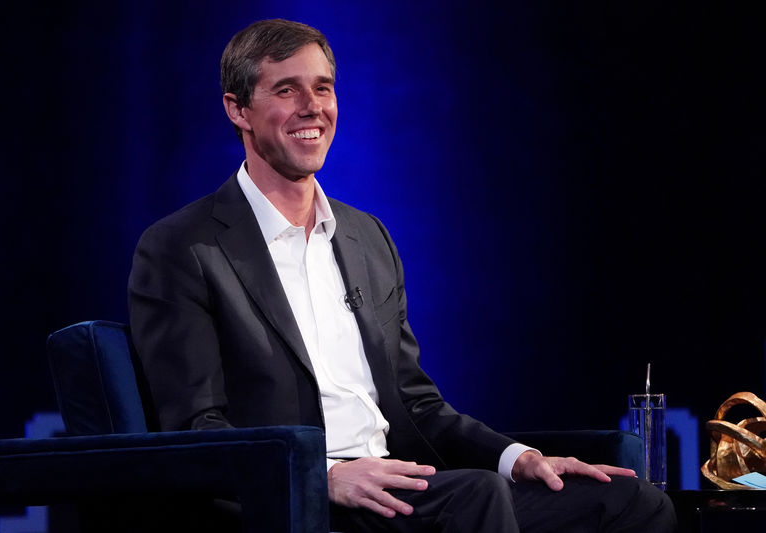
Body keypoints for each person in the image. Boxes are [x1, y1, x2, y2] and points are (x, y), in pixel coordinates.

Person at [128, 18, 676, 532]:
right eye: (286, 90)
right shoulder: (184, 247)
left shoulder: (368, 237)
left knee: (634, 503)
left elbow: (417, 404)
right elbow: (197, 430)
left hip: (401, 483)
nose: (311, 107)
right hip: (295, 499)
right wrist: (321, 478)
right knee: (475, 497)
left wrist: (518, 457)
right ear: (238, 109)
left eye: (322, 88)